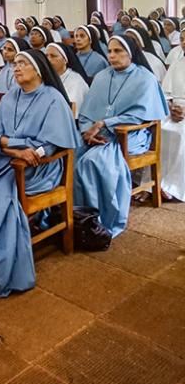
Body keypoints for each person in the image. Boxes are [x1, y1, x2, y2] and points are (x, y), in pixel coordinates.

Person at [0, 50, 81, 298]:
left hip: (39, 169)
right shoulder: (10, 96)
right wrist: (15, 147)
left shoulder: (53, 99)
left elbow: (46, 147)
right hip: (5, 160)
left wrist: (13, 147)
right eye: (15, 64)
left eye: (23, 63)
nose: (16, 68)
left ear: (38, 69)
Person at [74, 36, 168, 237]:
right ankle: (73, 215)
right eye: (109, 51)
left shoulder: (145, 78)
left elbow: (140, 115)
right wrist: (86, 130)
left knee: (92, 161)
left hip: (129, 134)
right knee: (71, 154)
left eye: (118, 51)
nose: (111, 56)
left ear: (131, 53)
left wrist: (104, 123)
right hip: (95, 132)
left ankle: (96, 221)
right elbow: (86, 112)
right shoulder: (101, 76)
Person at [161, 29, 185, 202]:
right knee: (161, 128)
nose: (184, 43)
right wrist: (170, 107)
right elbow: (165, 93)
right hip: (176, 110)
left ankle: (174, 184)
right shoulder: (177, 64)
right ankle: (158, 180)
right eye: (182, 39)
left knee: (181, 133)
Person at [46, 42, 89, 117]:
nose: (48, 60)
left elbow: (71, 111)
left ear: (65, 60)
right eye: (46, 56)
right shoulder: (43, 78)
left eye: (53, 56)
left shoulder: (76, 82)